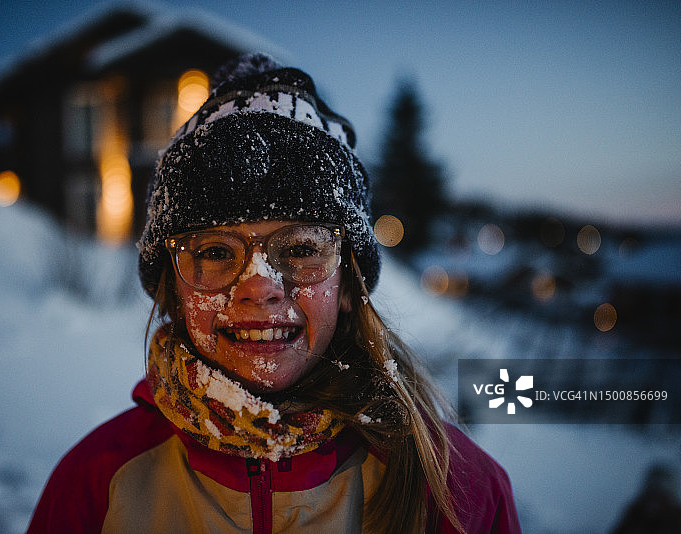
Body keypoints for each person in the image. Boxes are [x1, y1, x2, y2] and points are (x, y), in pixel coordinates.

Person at [26, 53, 521, 534]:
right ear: (174, 290)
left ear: (347, 284)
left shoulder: (459, 494)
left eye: (302, 248)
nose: (261, 287)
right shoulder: (97, 484)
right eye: (216, 251)